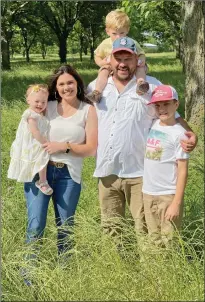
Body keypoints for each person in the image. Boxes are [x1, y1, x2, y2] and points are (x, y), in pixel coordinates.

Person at [87, 36, 197, 243]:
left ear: (137, 60)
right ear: (110, 60)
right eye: (117, 58)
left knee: (145, 230)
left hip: (139, 174)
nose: (122, 64)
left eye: (127, 59)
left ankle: (149, 271)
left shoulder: (151, 86)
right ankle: (116, 267)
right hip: (107, 172)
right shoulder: (96, 88)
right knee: (111, 229)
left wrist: (191, 134)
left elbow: (172, 114)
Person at [23, 65, 98, 260]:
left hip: (69, 175)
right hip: (40, 172)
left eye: (70, 82)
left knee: (65, 227)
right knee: (36, 225)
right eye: (62, 84)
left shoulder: (87, 110)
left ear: (77, 84)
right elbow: (27, 124)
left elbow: (91, 149)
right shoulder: (46, 105)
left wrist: (64, 146)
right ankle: (28, 275)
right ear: (55, 87)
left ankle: (64, 273)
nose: (66, 87)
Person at [142, 85, 189, 247]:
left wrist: (176, 203)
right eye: (158, 105)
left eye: (166, 104)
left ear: (176, 105)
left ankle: (172, 272)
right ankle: (155, 272)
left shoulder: (179, 134)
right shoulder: (153, 124)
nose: (162, 109)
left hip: (168, 195)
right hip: (148, 192)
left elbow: (183, 170)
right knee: (153, 240)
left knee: (169, 240)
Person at [87, 9, 149, 103]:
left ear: (127, 30)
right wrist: (101, 63)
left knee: (141, 67)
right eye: (114, 34)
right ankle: (97, 92)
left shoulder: (132, 42)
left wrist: (141, 61)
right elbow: (97, 55)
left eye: (122, 33)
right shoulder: (105, 43)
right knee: (103, 71)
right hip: (110, 66)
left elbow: (141, 54)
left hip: (132, 66)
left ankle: (141, 84)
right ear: (107, 31)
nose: (118, 37)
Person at [7, 84, 53, 195]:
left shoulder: (39, 114)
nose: (40, 104)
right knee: (42, 155)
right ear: (28, 100)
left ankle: (41, 180)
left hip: (36, 141)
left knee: (42, 158)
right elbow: (34, 131)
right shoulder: (31, 115)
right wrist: (45, 143)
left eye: (43, 102)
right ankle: (42, 181)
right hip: (32, 142)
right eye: (37, 101)